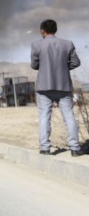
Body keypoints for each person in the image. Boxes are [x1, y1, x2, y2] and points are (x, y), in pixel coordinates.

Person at [30, 19, 84, 157]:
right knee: (69, 117)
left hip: (44, 87)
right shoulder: (68, 44)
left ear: (42, 31)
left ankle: (45, 148)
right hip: (64, 86)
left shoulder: (36, 45)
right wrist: (63, 68)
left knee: (44, 117)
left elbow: (34, 65)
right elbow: (76, 62)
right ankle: (75, 148)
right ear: (56, 30)